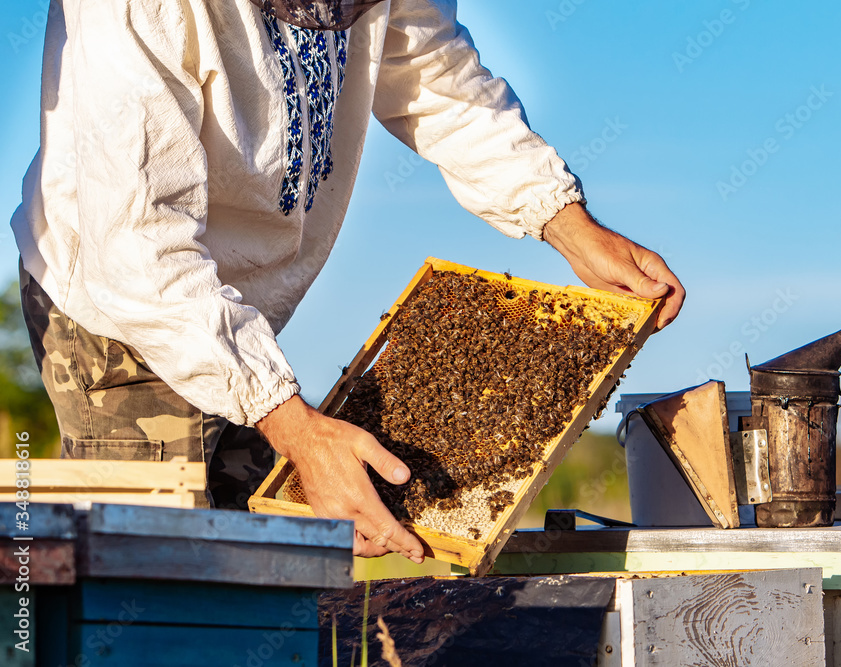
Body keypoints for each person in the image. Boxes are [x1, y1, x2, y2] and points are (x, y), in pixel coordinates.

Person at [11, 0, 684, 564]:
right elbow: (139, 248)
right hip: (116, 300)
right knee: (159, 584)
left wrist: (567, 223)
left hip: (238, 305)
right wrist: (296, 428)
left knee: (262, 565)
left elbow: (431, 72)